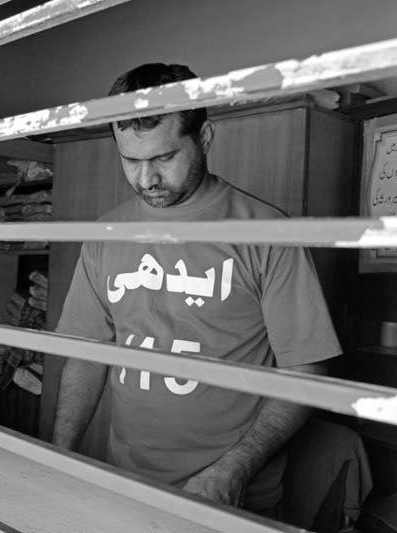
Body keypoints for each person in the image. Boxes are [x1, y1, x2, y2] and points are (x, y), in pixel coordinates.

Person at [51, 63, 341, 514]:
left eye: (164, 158)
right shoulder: (106, 234)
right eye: (130, 160)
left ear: (204, 139)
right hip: (126, 487)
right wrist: (59, 455)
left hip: (232, 499)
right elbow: (87, 358)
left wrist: (234, 471)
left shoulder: (268, 234)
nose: (146, 179)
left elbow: (306, 374)